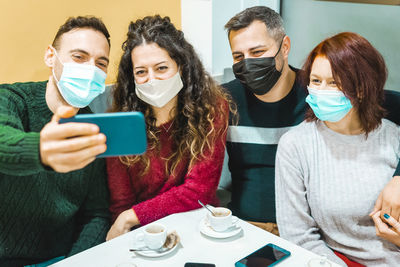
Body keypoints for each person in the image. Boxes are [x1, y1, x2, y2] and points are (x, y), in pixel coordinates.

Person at [222, 6, 400, 235]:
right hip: (246, 227)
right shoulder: (223, 100)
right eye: (238, 56)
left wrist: (398, 179)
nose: (247, 63)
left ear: (284, 47)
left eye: (257, 52)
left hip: (313, 233)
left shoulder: (321, 92)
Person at [275, 32, 400, 266]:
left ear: (361, 89)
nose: (322, 90)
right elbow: (298, 235)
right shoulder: (296, 145)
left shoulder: (394, 138)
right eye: (315, 81)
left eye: (334, 82)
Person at [105, 15, 234, 240]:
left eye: (161, 68)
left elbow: (199, 190)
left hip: (198, 223)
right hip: (146, 233)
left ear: (181, 67)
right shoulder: (119, 124)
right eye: (141, 72)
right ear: (131, 77)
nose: (152, 79)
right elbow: (121, 201)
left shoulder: (212, 109)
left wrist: (129, 216)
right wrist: (131, 224)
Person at [0, 16, 111, 266]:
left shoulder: (92, 126)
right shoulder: (11, 99)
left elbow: (97, 214)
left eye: (101, 63)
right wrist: (39, 151)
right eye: (79, 57)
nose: (91, 69)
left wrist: (74, 262)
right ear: (51, 57)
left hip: (62, 258)